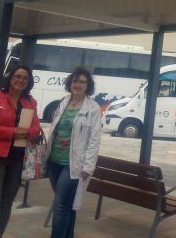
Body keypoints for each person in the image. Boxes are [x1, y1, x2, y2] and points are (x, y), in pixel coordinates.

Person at [0, 65, 42, 238]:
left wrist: (28, 133)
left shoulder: (30, 102)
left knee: (6, 203)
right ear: (11, 78)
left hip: (17, 158)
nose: (21, 80)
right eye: (17, 76)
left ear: (29, 82)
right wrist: (11, 132)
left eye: (25, 78)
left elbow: (36, 127)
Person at [43, 67, 103, 238]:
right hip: (54, 161)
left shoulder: (93, 108)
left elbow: (94, 140)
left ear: (88, 86)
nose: (78, 84)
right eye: (75, 81)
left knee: (60, 206)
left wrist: (88, 166)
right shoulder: (64, 101)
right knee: (68, 205)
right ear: (70, 83)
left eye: (82, 82)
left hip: (73, 165)